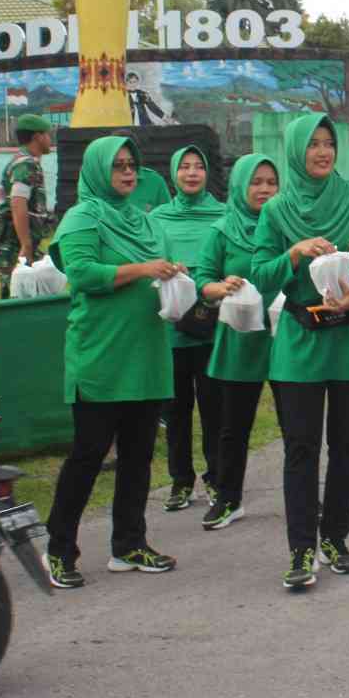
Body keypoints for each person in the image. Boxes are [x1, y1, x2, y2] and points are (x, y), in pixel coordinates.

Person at [250, 114, 349, 591]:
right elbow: (260, 275)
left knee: (347, 446)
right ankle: (301, 549)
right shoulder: (275, 212)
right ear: (296, 151)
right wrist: (292, 253)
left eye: (329, 143)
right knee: (301, 450)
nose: (322, 152)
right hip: (300, 343)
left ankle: (336, 539)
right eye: (313, 145)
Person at [42, 136, 180, 590]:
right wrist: (144, 270)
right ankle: (59, 549)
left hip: (146, 354)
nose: (127, 173)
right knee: (87, 456)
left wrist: (178, 280)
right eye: (118, 166)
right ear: (99, 170)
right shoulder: (83, 217)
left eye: (132, 166)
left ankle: (129, 544)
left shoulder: (144, 221)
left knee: (139, 457)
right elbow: (80, 273)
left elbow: (160, 269)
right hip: (101, 357)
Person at [192, 152, 279, 530]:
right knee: (233, 426)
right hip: (239, 338)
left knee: (297, 426)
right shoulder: (223, 230)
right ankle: (228, 498)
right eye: (256, 182)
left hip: (282, 338)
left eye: (271, 182)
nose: (264, 190)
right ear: (241, 186)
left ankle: (306, 495)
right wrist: (221, 286)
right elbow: (202, 281)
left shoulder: (287, 225)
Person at [147, 145, 226, 512]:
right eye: (185, 167)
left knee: (215, 409)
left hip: (212, 327)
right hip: (171, 331)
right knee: (175, 412)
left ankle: (217, 478)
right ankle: (180, 481)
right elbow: (148, 259)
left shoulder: (224, 215)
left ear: (207, 173)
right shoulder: (158, 218)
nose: (192, 173)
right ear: (174, 173)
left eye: (198, 166)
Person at [0, 114, 55, 280]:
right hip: (13, 245)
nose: (50, 139)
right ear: (37, 137)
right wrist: (26, 245)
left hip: (16, 242)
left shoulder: (23, 161)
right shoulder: (25, 164)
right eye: (47, 134)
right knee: (16, 295)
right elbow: (17, 203)